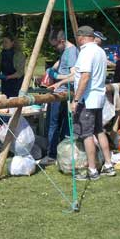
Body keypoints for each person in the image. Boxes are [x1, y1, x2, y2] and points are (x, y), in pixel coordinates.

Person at [71, 26, 115, 181]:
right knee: (99, 130)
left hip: (87, 100)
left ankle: (92, 170)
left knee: (87, 134)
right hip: (99, 97)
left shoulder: (86, 52)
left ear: (81, 37)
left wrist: (76, 99)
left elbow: (85, 77)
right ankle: (108, 165)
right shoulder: (100, 51)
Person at [41, 31, 79, 166]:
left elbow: (74, 75)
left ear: (62, 41)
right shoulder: (66, 51)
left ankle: (51, 155)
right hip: (61, 91)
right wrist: (51, 70)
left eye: (55, 45)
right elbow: (60, 62)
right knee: (61, 124)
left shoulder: (71, 52)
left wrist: (56, 77)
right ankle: (61, 152)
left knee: (54, 124)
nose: (55, 48)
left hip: (63, 93)